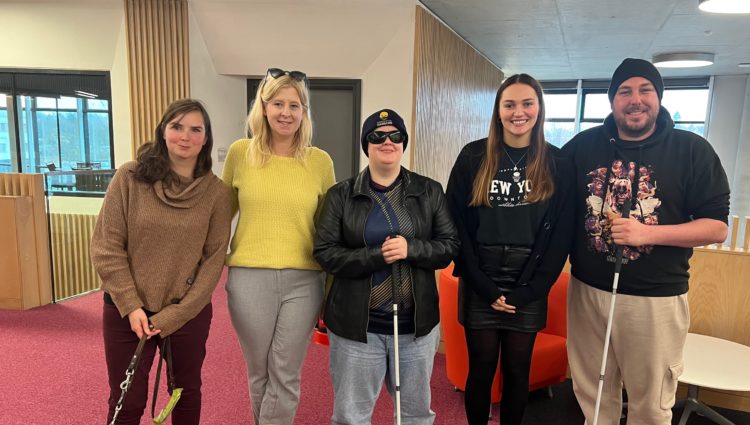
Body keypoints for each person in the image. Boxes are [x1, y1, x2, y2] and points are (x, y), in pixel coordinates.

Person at [562, 58, 730, 425]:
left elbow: (717, 227)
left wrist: (647, 233)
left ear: (659, 97)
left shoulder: (692, 150)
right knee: (592, 395)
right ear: (612, 100)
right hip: (587, 293)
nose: (635, 100)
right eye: (624, 91)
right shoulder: (582, 146)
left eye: (645, 90)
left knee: (650, 405)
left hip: (655, 299)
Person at [91, 98, 232, 425]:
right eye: (177, 127)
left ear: (206, 138)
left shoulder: (216, 193)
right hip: (127, 310)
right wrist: (131, 304)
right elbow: (106, 245)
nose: (185, 136)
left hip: (186, 311)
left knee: (185, 392)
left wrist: (176, 315)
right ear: (163, 132)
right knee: (127, 398)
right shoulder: (129, 177)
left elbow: (213, 262)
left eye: (196, 129)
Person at [314, 108, 459, 425]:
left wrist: (412, 248)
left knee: (415, 414)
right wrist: (376, 255)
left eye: (395, 135)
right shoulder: (341, 195)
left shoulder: (429, 191)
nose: (387, 141)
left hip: (416, 327)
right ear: (366, 144)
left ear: (404, 142)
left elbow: (449, 247)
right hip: (358, 329)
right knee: (351, 416)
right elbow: (325, 253)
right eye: (377, 136)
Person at [445, 74, 575, 425]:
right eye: (510, 104)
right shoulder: (473, 156)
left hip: (530, 278)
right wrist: (483, 286)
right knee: (482, 368)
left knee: (519, 370)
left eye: (527, 103)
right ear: (498, 111)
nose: (519, 112)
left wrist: (533, 289)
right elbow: (453, 223)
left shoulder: (558, 163)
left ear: (539, 109)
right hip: (479, 273)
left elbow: (562, 234)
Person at [222, 67, 335, 425]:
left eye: (295, 105)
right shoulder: (241, 154)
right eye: (278, 103)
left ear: (304, 112)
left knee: (285, 373)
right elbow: (220, 216)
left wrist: (333, 289)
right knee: (259, 372)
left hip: (304, 280)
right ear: (264, 107)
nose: (286, 112)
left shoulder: (320, 161)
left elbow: (329, 229)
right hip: (248, 278)